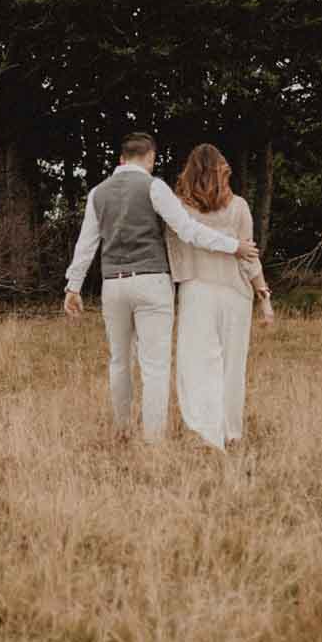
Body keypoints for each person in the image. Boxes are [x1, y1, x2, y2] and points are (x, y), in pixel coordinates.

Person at [63, 133, 261, 442]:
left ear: (121, 159)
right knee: (154, 365)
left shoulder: (97, 193)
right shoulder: (154, 187)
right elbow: (188, 230)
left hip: (113, 284)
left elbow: (86, 244)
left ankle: (122, 428)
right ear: (151, 157)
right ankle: (153, 438)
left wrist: (73, 286)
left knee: (119, 360)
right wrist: (233, 245)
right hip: (152, 282)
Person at [165, 143, 273, 450]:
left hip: (196, 290)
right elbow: (248, 256)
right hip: (235, 293)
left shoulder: (178, 208)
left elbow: (174, 248)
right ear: (222, 171)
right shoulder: (238, 206)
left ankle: (205, 428)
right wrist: (263, 297)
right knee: (232, 364)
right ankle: (231, 432)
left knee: (198, 363)